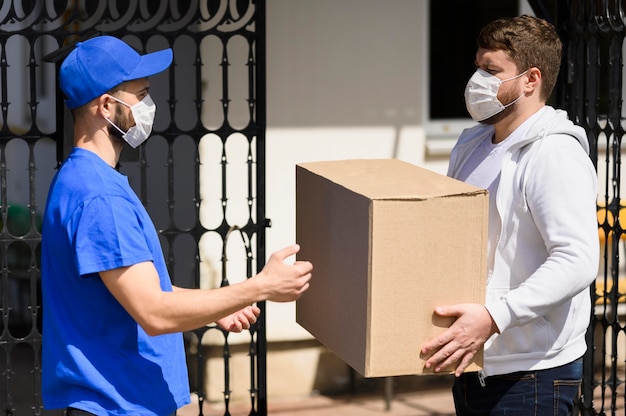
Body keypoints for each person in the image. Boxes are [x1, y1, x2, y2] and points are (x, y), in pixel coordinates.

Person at [40, 35, 313, 416]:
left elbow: (135, 286)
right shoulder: (100, 198)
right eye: (141, 94)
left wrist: (215, 307)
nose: (149, 106)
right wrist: (261, 285)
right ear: (106, 106)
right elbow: (154, 311)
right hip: (117, 404)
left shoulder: (77, 181)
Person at [421, 15, 599, 415]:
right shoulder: (473, 143)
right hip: (476, 360)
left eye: (491, 70)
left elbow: (577, 259)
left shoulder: (554, 154)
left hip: (530, 374)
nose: (476, 80)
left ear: (530, 80)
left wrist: (495, 317)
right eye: (477, 66)